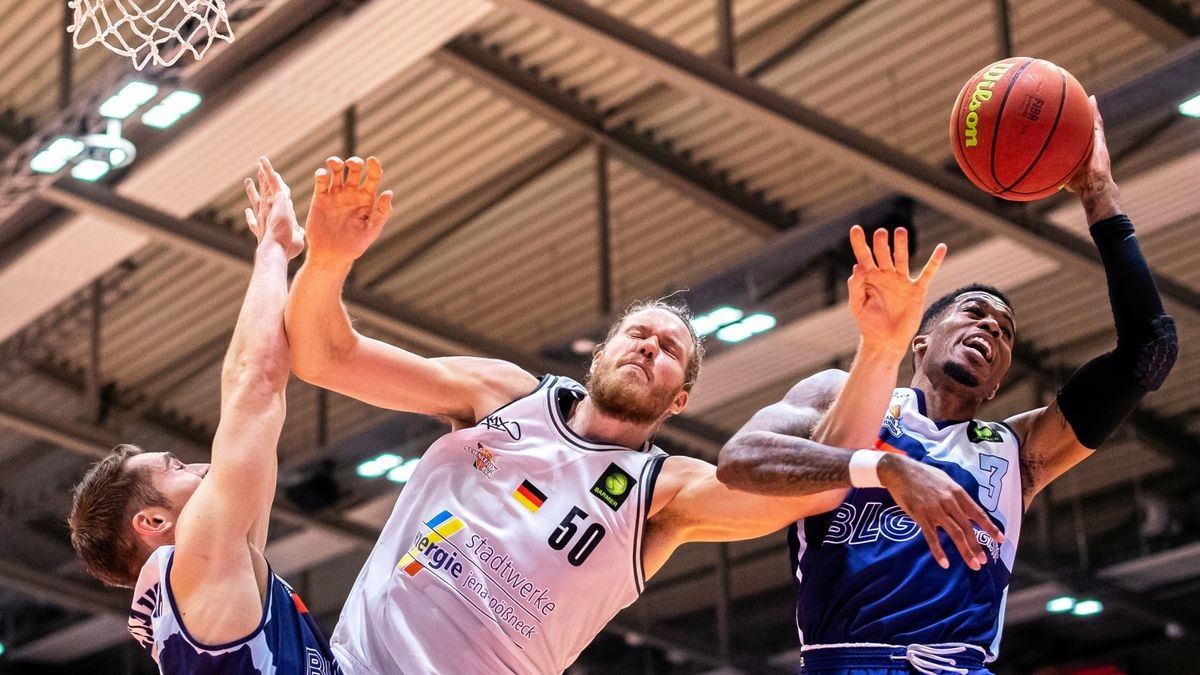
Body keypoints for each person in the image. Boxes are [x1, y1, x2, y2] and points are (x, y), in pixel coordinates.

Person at [283, 155, 993, 674]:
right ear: (598, 354)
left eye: (668, 350)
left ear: (678, 398)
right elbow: (323, 356)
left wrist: (881, 348)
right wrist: (327, 261)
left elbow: (818, 485)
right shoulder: (501, 393)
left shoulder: (664, 492)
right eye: (638, 334)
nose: (650, 346)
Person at [716, 97, 1178, 674]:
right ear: (920, 342)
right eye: (974, 311)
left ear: (998, 381)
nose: (991, 326)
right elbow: (739, 462)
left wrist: (1097, 193)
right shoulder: (841, 393)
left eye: (1005, 331)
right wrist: (883, 468)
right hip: (847, 661)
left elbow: (1149, 351)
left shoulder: (1019, 451)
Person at [68, 159, 342, 674]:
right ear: (153, 521)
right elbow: (253, 384)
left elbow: (257, 407)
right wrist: (273, 250)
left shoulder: (212, 585)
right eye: (174, 467)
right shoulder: (194, 562)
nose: (198, 466)